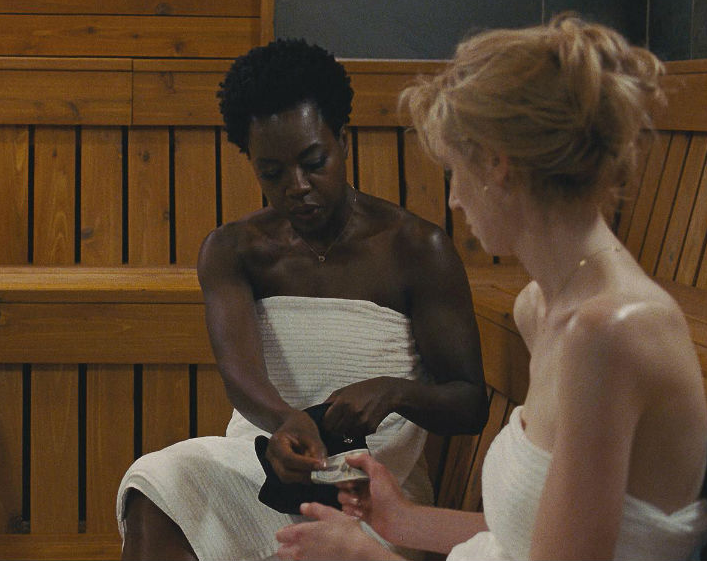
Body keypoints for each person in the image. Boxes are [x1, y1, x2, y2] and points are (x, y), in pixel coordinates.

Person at [273, 14, 707, 560]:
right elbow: (529, 534)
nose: (455, 199)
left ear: (498, 166)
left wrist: (366, 555)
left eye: (455, 171)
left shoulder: (612, 332)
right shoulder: (541, 307)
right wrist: (402, 520)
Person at [115, 38, 489, 560]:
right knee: (158, 482)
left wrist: (394, 392)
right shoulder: (234, 250)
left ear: (343, 141)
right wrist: (284, 422)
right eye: (272, 173)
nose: (297, 186)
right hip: (263, 467)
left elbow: (470, 404)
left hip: (375, 491)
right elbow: (240, 374)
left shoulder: (415, 248)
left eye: (314, 162)